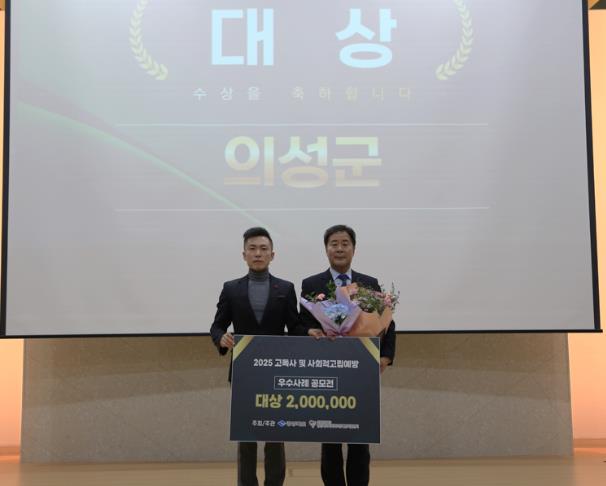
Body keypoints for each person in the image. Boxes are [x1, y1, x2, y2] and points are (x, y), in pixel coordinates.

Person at [210, 227, 312, 486]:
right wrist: (221, 338)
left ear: (272, 255)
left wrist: (310, 332)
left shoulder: (286, 288)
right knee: (246, 436)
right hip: (244, 372)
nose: (258, 253)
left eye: (263, 249)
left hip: (276, 372)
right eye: (252, 249)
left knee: (276, 434)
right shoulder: (230, 288)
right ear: (244, 254)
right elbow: (217, 326)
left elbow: (295, 327)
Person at [300, 224, 396, 486]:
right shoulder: (311, 284)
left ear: (354, 248)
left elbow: (387, 323)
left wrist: (386, 357)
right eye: (334, 244)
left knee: (359, 440)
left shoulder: (368, 283)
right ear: (326, 249)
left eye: (345, 243)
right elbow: (300, 322)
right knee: (329, 439)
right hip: (326, 372)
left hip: (359, 373)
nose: (339, 248)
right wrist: (309, 330)